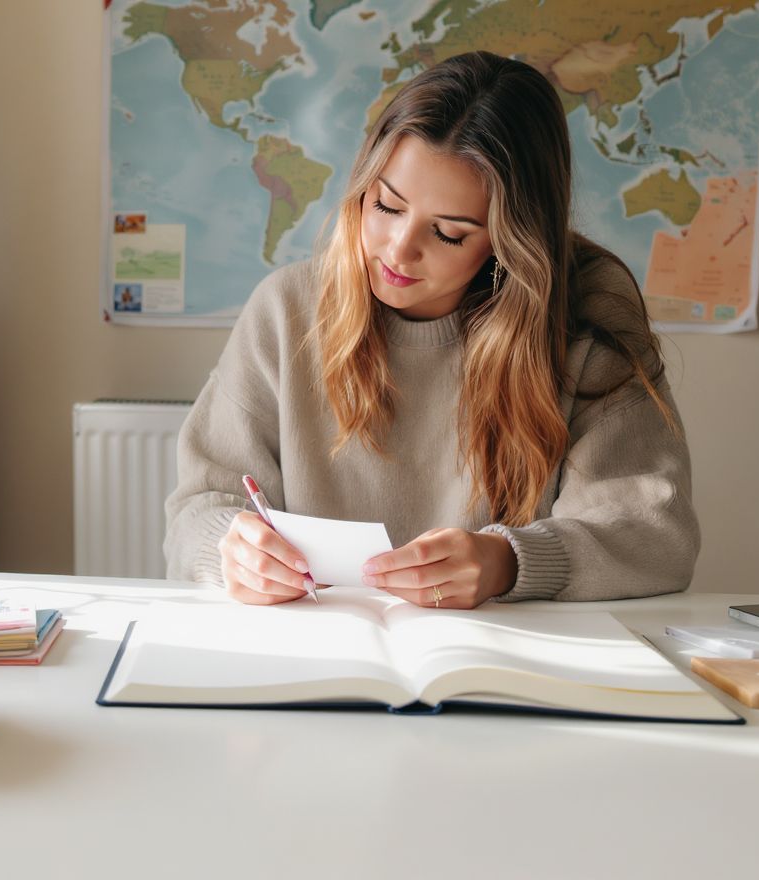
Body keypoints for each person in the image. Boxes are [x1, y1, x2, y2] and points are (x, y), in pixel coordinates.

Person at [163, 51, 699, 609]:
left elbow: (656, 535)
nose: (398, 250)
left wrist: (509, 562)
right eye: (386, 206)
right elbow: (198, 511)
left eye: (448, 234)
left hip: (505, 664)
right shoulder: (285, 309)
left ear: (509, 243)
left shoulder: (587, 320)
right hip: (315, 649)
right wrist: (230, 551)